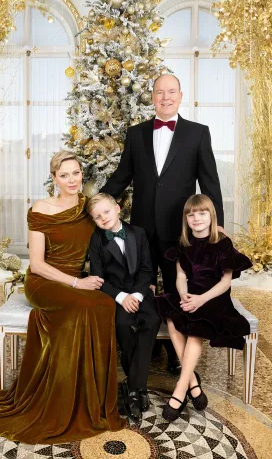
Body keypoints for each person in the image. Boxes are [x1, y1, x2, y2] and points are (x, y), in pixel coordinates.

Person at [0, 151, 125, 444]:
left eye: (76, 173)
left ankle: (91, 399)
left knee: (103, 305)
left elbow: (113, 228)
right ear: (53, 178)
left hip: (74, 282)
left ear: (82, 175)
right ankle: (58, 398)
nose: (72, 180)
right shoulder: (41, 208)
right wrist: (77, 283)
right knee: (86, 304)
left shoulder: (87, 209)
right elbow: (37, 264)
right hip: (44, 281)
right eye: (64, 175)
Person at [101, 74, 224, 374]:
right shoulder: (136, 133)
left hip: (178, 230)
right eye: (159, 92)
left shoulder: (197, 133)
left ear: (180, 96)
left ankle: (175, 353)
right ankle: (147, 343)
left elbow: (209, 181)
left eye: (171, 92)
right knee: (140, 285)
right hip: (141, 230)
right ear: (152, 97)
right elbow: (122, 177)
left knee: (176, 290)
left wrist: (216, 224)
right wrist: (98, 203)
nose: (165, 97)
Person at [157, 194, 251, 421]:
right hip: (191, 294)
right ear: (186, 219)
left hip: (215, 298)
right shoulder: (184, 245)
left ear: (211, 216)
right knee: (172, 317)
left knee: (195, 326)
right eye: (191, 215)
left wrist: (200, 300)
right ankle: (193, 383)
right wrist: (184, 295)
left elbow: (225, 282)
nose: (196, 218)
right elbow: (180, 276)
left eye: (201, 213)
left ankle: (181, 388)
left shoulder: (222, 243)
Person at [87, 193, 161, 422]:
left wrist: (137, 295)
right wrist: (121, 297)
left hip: (140, 293)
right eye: (97, 217)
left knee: (151, 321)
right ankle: (139, 389)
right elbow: (98, 278)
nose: (103, 218)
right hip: (116, 296)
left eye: (106, 212)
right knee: (123, 325)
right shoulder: (97, 240)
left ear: (118, 208)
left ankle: (133, 386)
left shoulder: (138, 233)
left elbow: (147, 270)